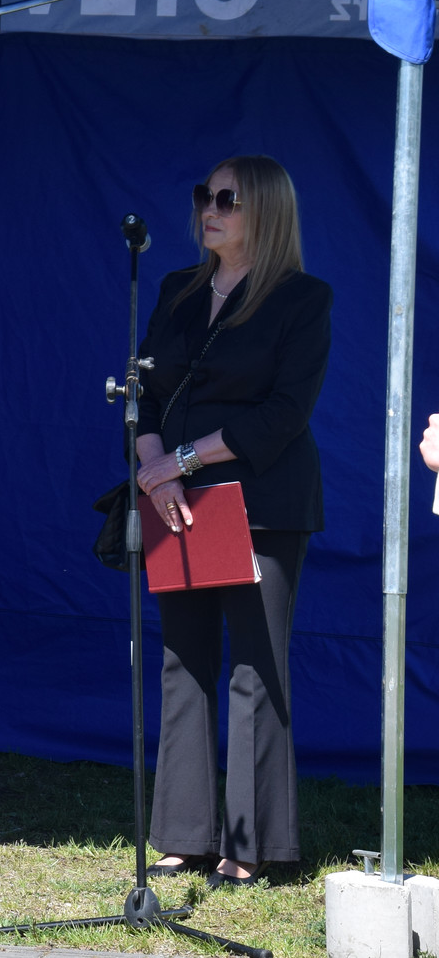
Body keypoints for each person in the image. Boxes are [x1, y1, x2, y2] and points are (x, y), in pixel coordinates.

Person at [134, 155, 331, 887]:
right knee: (182, 657)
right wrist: (155, 468)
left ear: (265, 212)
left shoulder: (302, 299)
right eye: (204, 196)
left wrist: (179, 460)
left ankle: (253, 844)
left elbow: (284, 414)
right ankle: (184, 833)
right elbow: (146, 392)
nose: (209, 209)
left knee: (255, 661)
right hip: (175, 499)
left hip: (259, 500)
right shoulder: (176, 289)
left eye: (227, 199)